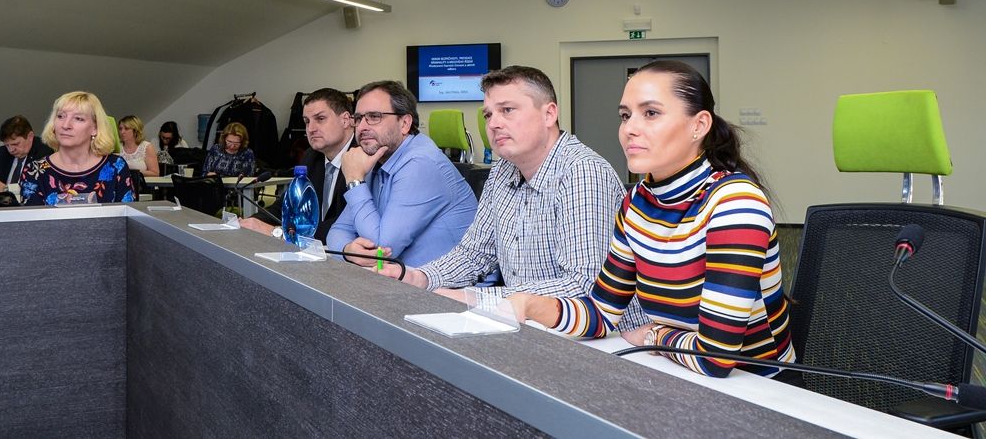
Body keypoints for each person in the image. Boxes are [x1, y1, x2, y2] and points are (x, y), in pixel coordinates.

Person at [509, 60, 795, 379]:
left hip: (761, 387)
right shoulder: (637, 202)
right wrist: (530, 305)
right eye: (625, 115)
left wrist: (654, 336)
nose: (629, 128)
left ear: (699, 125)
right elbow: (601, 313)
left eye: (651, 113)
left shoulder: (735, 202)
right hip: (681, 372)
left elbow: (715, 357)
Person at [378, 66, 636, 311]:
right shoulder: (503, 169)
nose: (493, 124)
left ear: (549, 114)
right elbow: (474, 253)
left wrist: (478, 298)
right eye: (488, 115)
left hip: (605, 336)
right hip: (528, 326)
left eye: (507, 110)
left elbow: (585, 286)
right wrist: (419, 277)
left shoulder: (582, 172)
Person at [325, 81, 477, 266]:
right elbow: (338, 230)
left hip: (451, 282)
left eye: (374, 117)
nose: (362, 127)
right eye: (358, 118)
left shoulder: (421, 162)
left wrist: (355, 180)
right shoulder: (374, 159)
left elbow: (382, 250)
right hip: (398, 276)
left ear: (405, 123)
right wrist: (347, 250)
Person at [240, 88, 355, 243]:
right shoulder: (311, 156)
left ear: (345, 120)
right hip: (313, 248)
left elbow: (347, 225)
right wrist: (250, 223)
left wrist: (279, 233)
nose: (311, 129)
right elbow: (286, 206)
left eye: (320, 119)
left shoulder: (364, 157)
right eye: (307, 121)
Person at [20, 91, 136, 206]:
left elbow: (128, 215)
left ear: (95, 128)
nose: (65, 125)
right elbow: (32, 218)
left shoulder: (116, 166)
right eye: (60, 116)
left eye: (78, 118)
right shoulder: (34, 171)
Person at [0, 115, 54, 194]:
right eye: (7, 145)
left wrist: (6, 188)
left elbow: (42, 187)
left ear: (30, 137)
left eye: (15, 144)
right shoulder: (1, 154)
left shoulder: (45, 152)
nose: (11, 150)